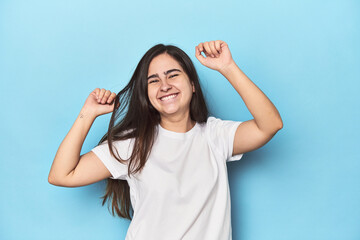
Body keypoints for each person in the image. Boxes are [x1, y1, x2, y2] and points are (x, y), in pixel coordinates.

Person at [48, 40, 283, 240]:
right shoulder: (133, 145)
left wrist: (228, 67)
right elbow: (61, 175)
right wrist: (87, 114)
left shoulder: (215, 135)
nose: (165, 86)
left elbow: (270, 125)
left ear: (192, 85)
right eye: (153, 81)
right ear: (147, 96)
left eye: (173, 75)